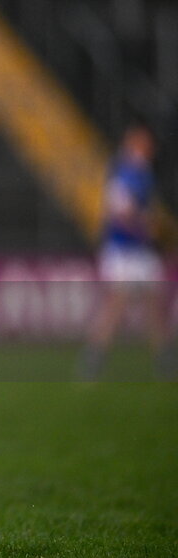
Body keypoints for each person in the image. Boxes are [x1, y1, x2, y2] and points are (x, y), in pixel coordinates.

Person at [80, 119, 173, 380]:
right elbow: (121, 213)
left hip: (138, 249)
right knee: (117, 305)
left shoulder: (139, 172)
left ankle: (163, 357)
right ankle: (95, 357)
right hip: (123, 249)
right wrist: (147, 227)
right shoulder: (126, 173)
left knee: (155, 302)